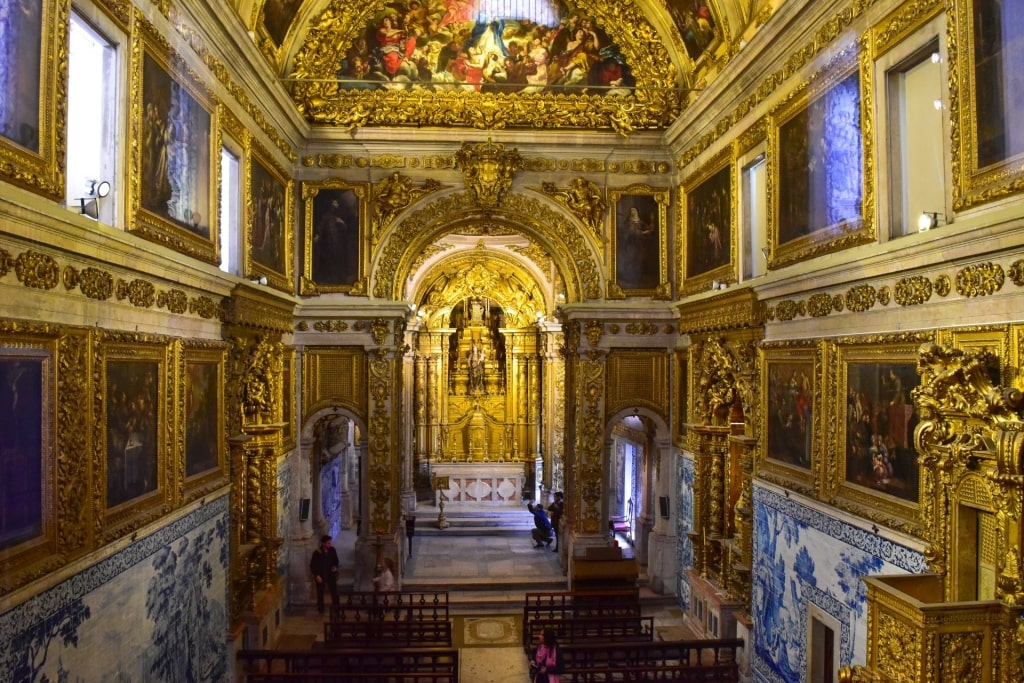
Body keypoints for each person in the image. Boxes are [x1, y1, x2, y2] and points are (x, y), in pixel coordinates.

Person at [310, 535, 340, 615]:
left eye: (330, 543)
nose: (330, 545)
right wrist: (317, 575)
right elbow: (313, 565)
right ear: (323, 543)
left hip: (330, 575)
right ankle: (321, 610)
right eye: (328, 543)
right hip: (321, 575)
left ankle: (336, 608)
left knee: (334, 592)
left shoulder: (332, 550)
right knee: (320, 593)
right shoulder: (317, 553)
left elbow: (336, 561)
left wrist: (335, 567)